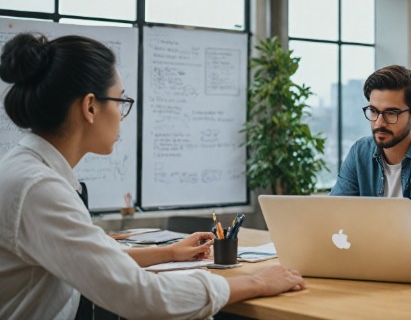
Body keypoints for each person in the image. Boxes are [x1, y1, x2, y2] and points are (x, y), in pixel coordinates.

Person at [0, 33, 305, 319]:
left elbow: (93, 261)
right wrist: (256, 283)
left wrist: (170, 252)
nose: (122, 116)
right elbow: (139, 295)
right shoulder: (38, 188)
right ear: (90, 107)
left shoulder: (29, 171)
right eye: (121, 101)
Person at [330, 65, 411, 248]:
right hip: (372, 260)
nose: (379, 122)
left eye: (391, 113)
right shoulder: (360, 151)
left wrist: (364, 233)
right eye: (374, 111)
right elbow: (332, 215)